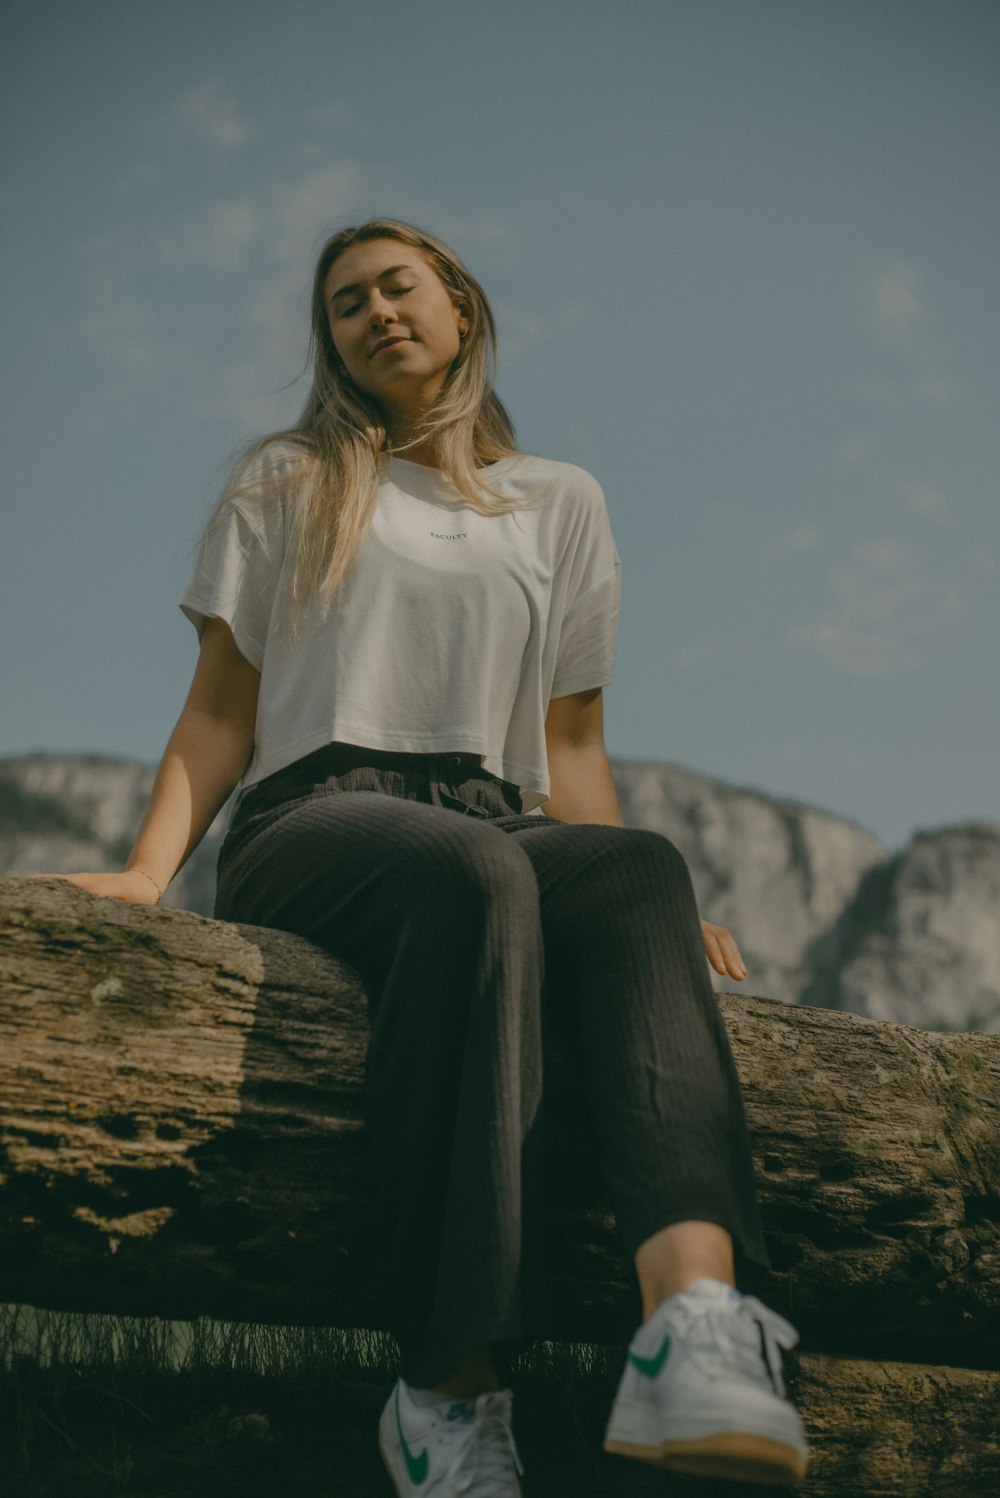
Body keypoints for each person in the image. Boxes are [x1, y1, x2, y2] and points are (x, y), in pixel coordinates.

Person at [43, 218, 809, 1495]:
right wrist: (145, 871)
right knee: (475, 873)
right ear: (332, 343)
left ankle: (696, 1331)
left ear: (456, 301)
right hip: (315, 818)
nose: (374, 313)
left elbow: (569, 742)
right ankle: (444, 1393)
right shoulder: (288, 479)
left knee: (636, 867)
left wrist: (638, 907)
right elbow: (224, 707)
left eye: (397, 287)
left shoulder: (559, 501)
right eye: (344, 304)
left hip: (492, 809)